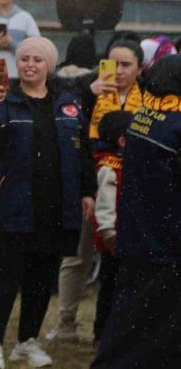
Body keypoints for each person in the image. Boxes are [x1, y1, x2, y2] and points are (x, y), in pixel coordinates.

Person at [0, 37, 96, 369]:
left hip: (54, 207)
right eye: (24, 58)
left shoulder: (68, 104)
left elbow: (82, 151)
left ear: (49, 65)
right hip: (11, 206)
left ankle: (27, 340)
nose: (29, 64)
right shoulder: (3, 100)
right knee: (4, 277)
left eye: (37, 60)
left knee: (42, 277)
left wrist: (87, 191)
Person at [52, 39, 144, 343]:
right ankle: (66, 322)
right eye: (112, 63)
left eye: (126, 65)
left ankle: (111, 329)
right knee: (77, 255)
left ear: (139, 69)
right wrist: (85, 95)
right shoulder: (88, 91)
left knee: (120, 259)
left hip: (130, 187)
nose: (118, 71)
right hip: (88, 181)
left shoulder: (149, 99)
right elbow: (63, 113)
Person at [92, 55, 181, 368]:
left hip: (137, 237)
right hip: (167, 246)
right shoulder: (175, 127)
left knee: (129, 322)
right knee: (155, 332)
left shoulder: (143, 116)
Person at [91, 110, 133, 348]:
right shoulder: (110, 167)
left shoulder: (127, 164)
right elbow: (105, 207)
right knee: (110, 289)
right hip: (115, 242)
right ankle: (101, 334)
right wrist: (109, 234)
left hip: (127, 240)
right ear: (122, 140)